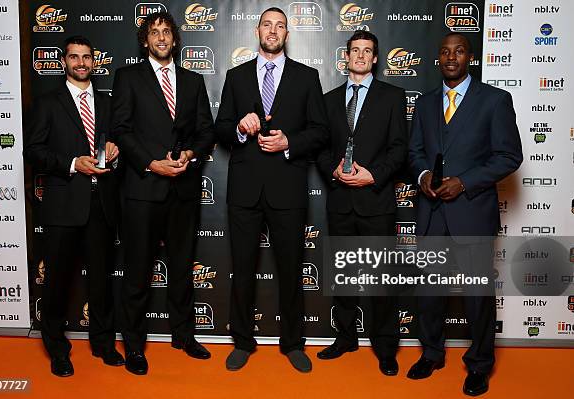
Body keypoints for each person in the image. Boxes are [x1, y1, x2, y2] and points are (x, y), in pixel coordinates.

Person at [407, 33, 522, 396]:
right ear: (438, 59)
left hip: (471, 213)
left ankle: (479, 365)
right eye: (444, 51)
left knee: (477, 297)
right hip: (431, 212)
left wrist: (465, 182)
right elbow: (415, 152)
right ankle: (431, 353)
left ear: (469, 57)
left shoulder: (495, 100)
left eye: (458, 51)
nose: (451, 57)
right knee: (428, 293)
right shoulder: (425, 104)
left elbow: (509, 156)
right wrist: (424, 176)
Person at [215, 7, 328, 373]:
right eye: (268, 24)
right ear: (257, 30)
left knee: (291, 270)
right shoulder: (235, 76)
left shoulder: (306, 77)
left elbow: (321, 131)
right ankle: (243, 342)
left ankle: (293, 343)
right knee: (243, 269)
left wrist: (289, 142)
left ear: (287, 33)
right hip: (245, 190)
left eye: (280, 25)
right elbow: (220, 129)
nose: (273, 31)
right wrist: (238, 128)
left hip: (287, 188)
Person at [110, 11, 214, 375]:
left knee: (183, 269)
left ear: (175, 39)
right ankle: (135, 346)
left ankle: (184, 336)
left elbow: (205, 132)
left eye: (167, 31)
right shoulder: (127, 78)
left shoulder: (193, 80)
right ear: (145, 40)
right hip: (142, 189)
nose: (161, 37)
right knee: (137, 272)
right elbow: (121, 130)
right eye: (154, 32)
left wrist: (189, 154)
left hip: (183, 190)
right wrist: (151, 164)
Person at [24, 35, 123, 377]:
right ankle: (57, 349)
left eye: (87, 57)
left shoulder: (109, 103)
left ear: (95, 62)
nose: (81, 62)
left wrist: (115, 149)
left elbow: (118, 143)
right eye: (74, 57)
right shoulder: (48, 102)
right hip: (64, 204)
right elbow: (33, 151)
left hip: (102, 204)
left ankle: (104, 344)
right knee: (57, 284)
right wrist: (71, 163)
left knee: (101, 281)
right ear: (64, 62)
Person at [316, 30, 407, 376]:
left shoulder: (392, 97)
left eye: (367, 51)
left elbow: (400, 148)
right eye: (355, 50)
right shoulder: (328, 100)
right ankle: (346, 338)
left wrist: (374, 175)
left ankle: (385, 347)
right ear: (347, 56)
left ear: (375, 59)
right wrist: (334, 171)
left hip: (376, 200)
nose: (360, 56)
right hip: (340, 201)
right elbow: (322, 150)